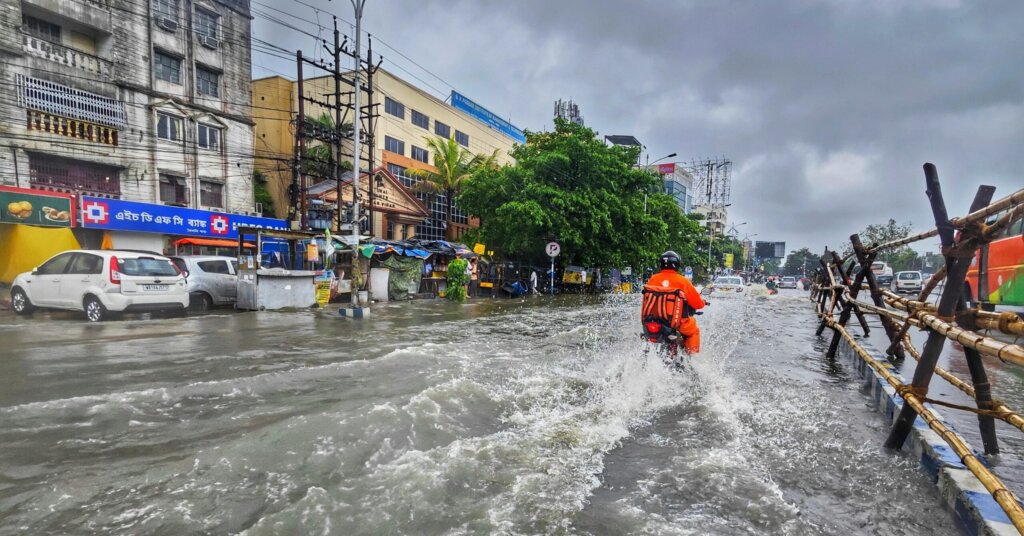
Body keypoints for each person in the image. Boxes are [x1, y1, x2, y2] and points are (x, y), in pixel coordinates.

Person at [641, 251, 706, 355]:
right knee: (694, 331)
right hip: (675, 323)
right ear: (677, 265)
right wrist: (703, 302)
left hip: (651, 321)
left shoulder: (653, 279)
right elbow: (697, 304)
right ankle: (691, 358)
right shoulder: (683, 281)